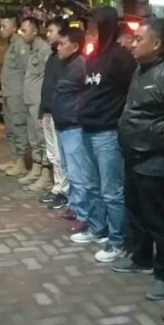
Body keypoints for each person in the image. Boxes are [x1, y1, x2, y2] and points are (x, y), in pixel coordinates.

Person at [112, 18, 164, 300]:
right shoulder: (140, 70)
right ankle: (141, 257)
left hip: (157, 161)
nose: (132, 43)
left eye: (139, 39)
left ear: (156, 44)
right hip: (134, 155)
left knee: (159, 221)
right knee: (136, 212)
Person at [72, 7, 137, 263]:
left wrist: (119, 119)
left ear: (107, 28)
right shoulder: (94, 57)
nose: (89, 34)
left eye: (93, 29)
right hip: (88, 129)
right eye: (88, 29)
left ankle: (118, 241)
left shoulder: (120, 57)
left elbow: (131, 91)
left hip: (107, 133)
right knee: (92, 186)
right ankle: (98, 228)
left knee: (112, 191)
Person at [51, 27, 101, 236]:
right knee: (69, 170)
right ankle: (74, 205)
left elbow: (88, 95)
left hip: (74, 127)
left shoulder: (81, 65)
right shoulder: (67, 64)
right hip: (64, 126)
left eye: (62, 44)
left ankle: (83, 215)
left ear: (75, 46)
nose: (58, 47)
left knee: (78, 173)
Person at [38, 17, 71, 209]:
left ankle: (64, 191)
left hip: (58, 114)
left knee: (60, 156)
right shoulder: (52, 56)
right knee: (52, 155)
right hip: (48, 113)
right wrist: (42, 112)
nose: (48, 35)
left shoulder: (66, 59)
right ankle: (57, 187)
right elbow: (47, 86)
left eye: (51, 31)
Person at [19, 17, 53, 191]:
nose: (22, 34)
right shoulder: (31, 48)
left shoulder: (44, 49)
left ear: (34, 31)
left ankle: (46, 175)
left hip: (38, 101)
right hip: (29, 100)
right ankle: (36, 168)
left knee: (42, 138)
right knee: (33, 138)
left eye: (25, 30)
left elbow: (49, 76)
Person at [0, 13, 30, 177]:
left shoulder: (20, 44)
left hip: (17, 95)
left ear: (14, 27)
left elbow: (27, 69)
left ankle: (21, 162)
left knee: (18, 127)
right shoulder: (10, 44)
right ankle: (14, 159)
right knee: (10, 128)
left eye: (4, 26)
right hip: (8, 94)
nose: (1, 29)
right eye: (0, 26)